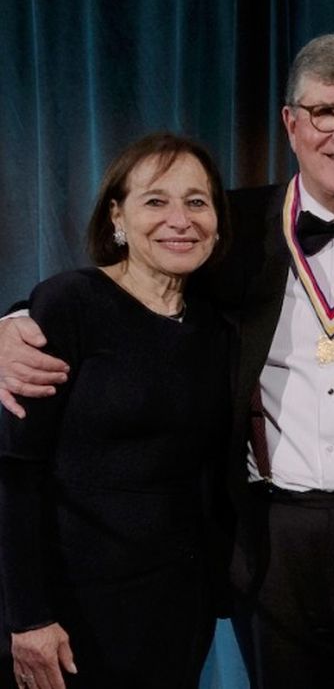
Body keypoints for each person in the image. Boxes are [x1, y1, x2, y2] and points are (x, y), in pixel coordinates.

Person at [0, 34, 334, 688]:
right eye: (325, 112)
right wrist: (11, 323)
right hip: (267, 540)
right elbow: (117, 291)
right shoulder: (227, 227)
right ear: (291, 122)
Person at [0, 133, 232, 688]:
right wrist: (28, 616)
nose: (180, 219)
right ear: (116, 217)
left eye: (197, 202)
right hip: (70, 613)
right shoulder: (67, 303)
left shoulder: (217, 328)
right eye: (156, 200)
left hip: (177, 607)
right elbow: (14, 468)